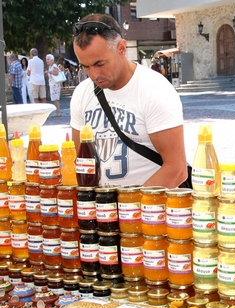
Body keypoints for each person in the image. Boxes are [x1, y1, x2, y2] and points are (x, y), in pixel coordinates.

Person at [70, 13, 187, 188]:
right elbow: (81, 162)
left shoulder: (154, 89)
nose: (93, 75)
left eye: (100, 64)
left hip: (148, 210)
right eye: (85, 66)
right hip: (103, 210)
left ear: (122, 48)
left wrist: (128, 209)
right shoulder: (82, 93)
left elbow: (176, 170)